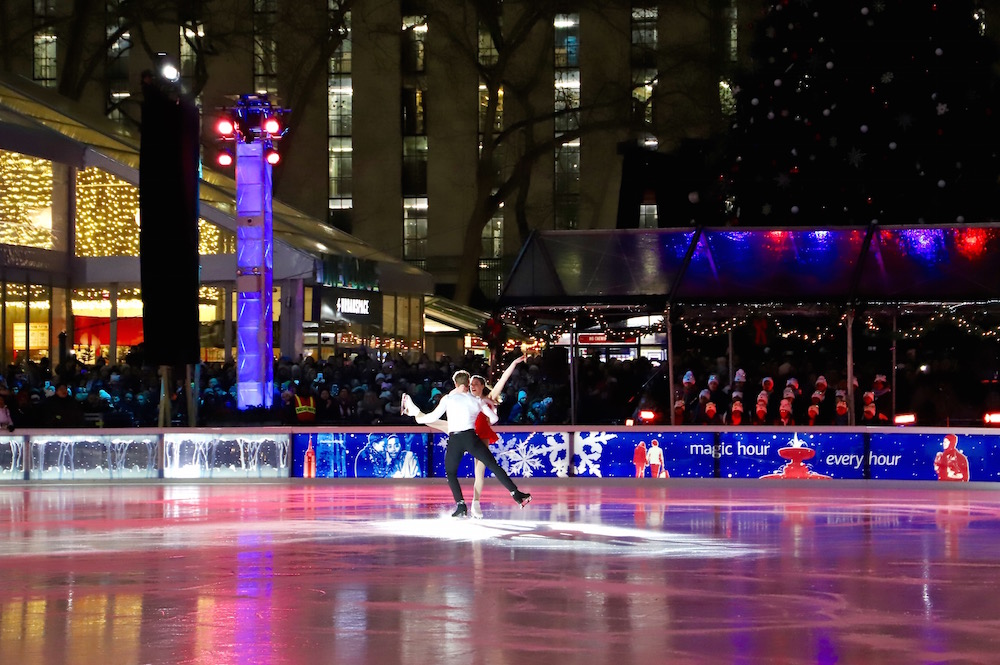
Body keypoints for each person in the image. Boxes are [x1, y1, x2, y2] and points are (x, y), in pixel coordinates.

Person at [403, 370, 531, 517]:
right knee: (493, 466)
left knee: (451, 473)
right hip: (471, 438)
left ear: (455, 384)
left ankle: (461, 505)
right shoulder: (477, 400)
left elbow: (432, 417)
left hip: (455, 439)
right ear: (468, 383)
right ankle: (516, 494)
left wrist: (419, 416)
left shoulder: (448, 399)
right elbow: (494, 419)